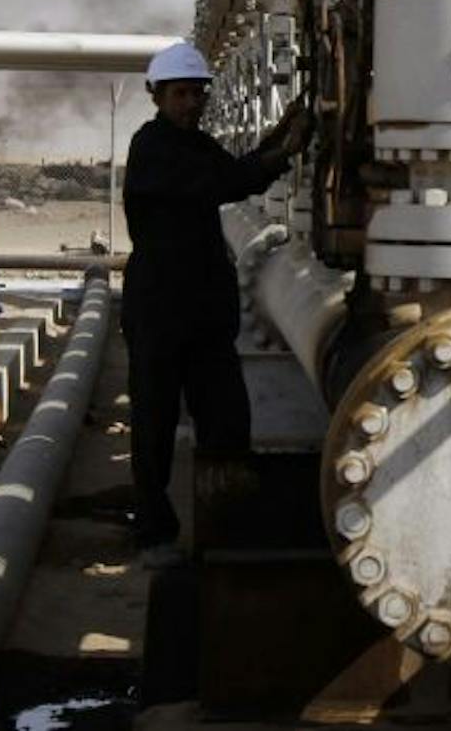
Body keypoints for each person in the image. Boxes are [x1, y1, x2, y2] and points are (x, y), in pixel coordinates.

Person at [121, 40, 311, 565]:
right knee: (154, 422)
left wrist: (283, 135)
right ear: (156, 96)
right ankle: (154, 533)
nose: (192, 103)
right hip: (159, 307)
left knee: (226, 417)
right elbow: (231, 179)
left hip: (203, 307)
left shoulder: (196, 144)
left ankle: (224, 523)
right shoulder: (152, 148)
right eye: (181, 94)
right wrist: (284, 149)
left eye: (197, 94)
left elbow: (236, 169)